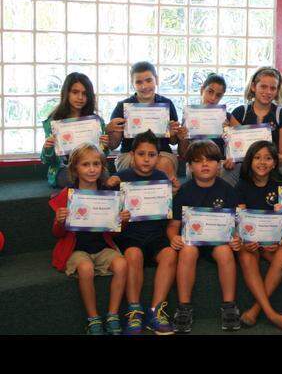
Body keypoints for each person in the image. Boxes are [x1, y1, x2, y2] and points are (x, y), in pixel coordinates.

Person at [47, 143, 127, 335]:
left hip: (101, 247)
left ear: (102, 167)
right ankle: (93, 318)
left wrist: (122, 221)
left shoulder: (108, 195)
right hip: (76, 250)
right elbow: (58, 234)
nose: (92, 169)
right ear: (75, 169)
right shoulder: (67, 195)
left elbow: (114, 233)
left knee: (122, 264)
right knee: (85, 267)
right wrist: (59, 221)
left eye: (96, 164)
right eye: (85, 165)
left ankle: (113, 314)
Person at [105, 130, 179, 335]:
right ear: (132, 155)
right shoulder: (120, 178)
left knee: (170, 254)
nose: (146, 159)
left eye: (152, 154)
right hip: (130, 236)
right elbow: (108, 214)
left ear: (158, 156)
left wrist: (173, 193)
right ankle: (134, 310)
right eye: (141, 154)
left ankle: (156, 310)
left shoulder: (162, 178)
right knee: (133, 254)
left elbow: (169, 209)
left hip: (156, 235)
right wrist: (119, 210)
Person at [167, 140, 244, 333]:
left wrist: (236, 237)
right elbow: (174, 225)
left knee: (225, 252)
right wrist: (172, 237)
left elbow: (235, 223)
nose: (205, 164)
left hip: (218, 242)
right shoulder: (184, 191)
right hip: (191, 241)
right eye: (198, 161)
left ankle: (229, 305)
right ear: (190, 167)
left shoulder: (227, 189)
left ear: (219, 164)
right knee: (187, 251)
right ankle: (184, 307)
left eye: (210, 160)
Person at [233, 140, 282, 331]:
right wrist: (246, 241)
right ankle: (271, 314)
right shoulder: (240, 187)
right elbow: (240, 223)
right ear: (249, 161)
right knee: (245, 253)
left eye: (268, 158)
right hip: (249, 242)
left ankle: (254, 311)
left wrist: (277, 241)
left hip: (272, 243)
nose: (262, 162)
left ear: (275, 163)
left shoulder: (280, 187)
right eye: (257, 157)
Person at [108, 61, 181, 184]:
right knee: (136, 162)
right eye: (139, 82)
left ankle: (163, 201)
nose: (144, 86)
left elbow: (173, 142)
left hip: (162, 152)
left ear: (156, 80)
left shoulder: (167, 104)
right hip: (129, 153)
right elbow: (113, 145)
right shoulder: (122, 106)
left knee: (162, 163)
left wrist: (173, 133)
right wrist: (110, 130)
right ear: (132, 84)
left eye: (148, 80)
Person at [39, 72, 113, 188]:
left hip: (91, 166)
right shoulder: (54, 122)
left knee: (104, 176)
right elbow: (49, 161)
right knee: (73, 179)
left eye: (84, 93)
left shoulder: (96, 122)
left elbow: (102, 157)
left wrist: (104, 146)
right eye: (75, 92)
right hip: (64, 168)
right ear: (66, 93)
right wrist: (48, 148)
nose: (80, 97)